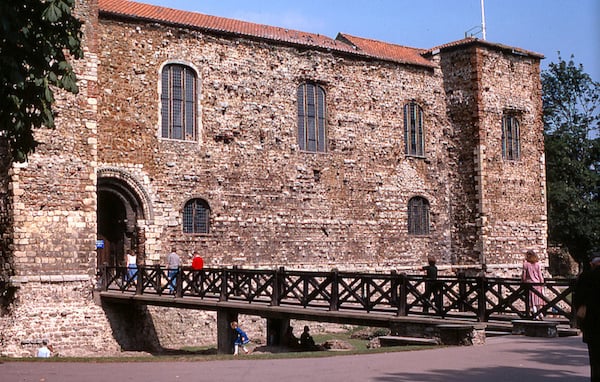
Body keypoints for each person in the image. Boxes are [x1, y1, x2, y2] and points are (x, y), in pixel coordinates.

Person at [574, 252, 600, 381]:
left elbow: (577, 300)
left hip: (592, 323)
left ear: (592, 264)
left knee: (595, 360)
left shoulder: (585, 277)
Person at [521, 250, 545, 319]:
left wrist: (522, 282)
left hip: (529, 285)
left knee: (532, 301)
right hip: (537, 284)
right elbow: (540, 275)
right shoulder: (537, 264)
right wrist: (542, 283)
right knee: (537, 300)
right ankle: (539, 313)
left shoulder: (526, 264)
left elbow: (524, 275)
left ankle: (535, 314)